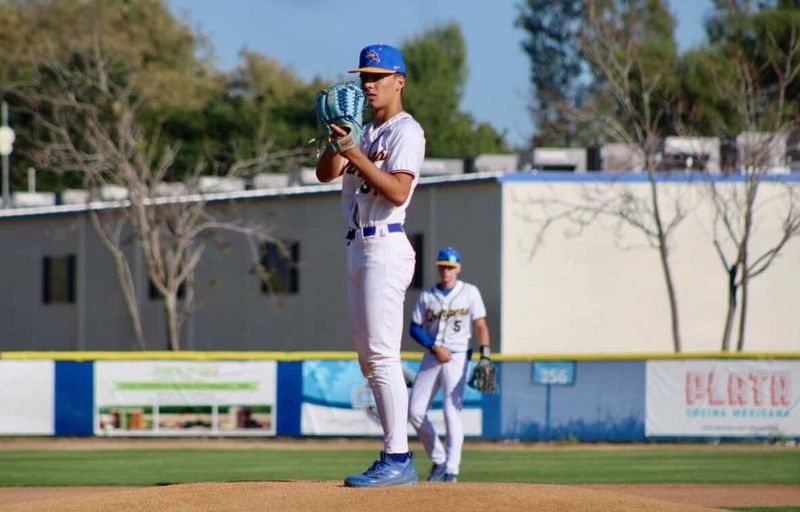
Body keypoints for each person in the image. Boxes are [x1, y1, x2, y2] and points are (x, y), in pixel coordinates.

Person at [315, 44, 425, 488]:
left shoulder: (406, 131)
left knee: (382, 355)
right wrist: (338, 139)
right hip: (357, 246)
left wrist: (355, 152)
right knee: (369, 360)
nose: (368, 84)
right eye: (364, 77)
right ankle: (394, 454)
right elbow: (325, 173)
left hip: (386, 243)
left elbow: (397, 192)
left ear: (399, 81)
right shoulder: (364, 132)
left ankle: (398, 457)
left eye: (377, 77)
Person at [408, 246, 491, 483]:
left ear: (458, 268)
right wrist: (434, 346)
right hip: (433, 355)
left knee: (451, 412)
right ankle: (440, 459)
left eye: (450, 267)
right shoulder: (427, 295)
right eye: (443, 267)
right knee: (415, 412)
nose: (446, 271)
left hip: (458, 356)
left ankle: (452, 470)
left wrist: (485, 356)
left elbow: (481, 325)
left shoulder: (470, 292)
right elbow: (414, 328)